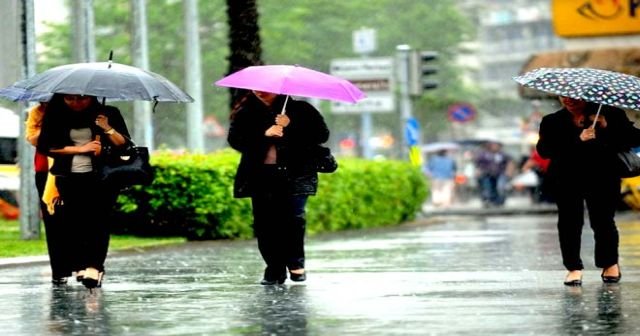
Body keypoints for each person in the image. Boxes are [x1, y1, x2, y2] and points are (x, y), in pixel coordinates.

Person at [227, 90, 330, 285]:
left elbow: (321, 135)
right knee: (265, 224)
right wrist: (264, 134)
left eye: (265, 88)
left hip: (296, 174)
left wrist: (292, 125)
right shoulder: (246, 113)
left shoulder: (301, 109)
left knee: (293, 219)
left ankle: (295, 264)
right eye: (256, 88)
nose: (260, 92)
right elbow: (235, 140)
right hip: (261, 175)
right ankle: (274, 268)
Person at [537, 96, 640, 286]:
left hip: (603, 176)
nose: (568, 100)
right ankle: (573, 268)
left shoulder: (610, 114)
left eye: (574, 97)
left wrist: (607, 126)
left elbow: (634, 138)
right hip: (566, 178)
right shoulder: (552, 120)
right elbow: (544, 150)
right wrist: (578, 139)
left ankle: (609, 264)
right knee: (569, 222)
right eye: (563, 96)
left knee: (603, 221)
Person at [37, 93, 130, 289]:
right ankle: (80, 264)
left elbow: (124, 144)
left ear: (92, 97)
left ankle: (95, 267)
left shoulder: (108, 113)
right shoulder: (56, 115)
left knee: (99, 221)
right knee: (75, 222)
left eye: (81, 98)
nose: (76, 103)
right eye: (69, 98)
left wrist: (107, 128)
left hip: (103, 178)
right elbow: (47, 147)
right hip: (68, 178)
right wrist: (80, 149)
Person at [25, 102, 71, 285]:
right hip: (46, 171)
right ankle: (59, 270)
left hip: (78, 169)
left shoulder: (80, 110)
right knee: (52, 220)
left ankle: (84, 265)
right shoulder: (37, 112)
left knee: (77, 218)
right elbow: (33, 139)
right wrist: (51, 128)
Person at [473, 141, 513, 207]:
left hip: (500, 173)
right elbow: (478, 163)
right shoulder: (484, 154)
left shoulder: (503, 154)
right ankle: (488, 201)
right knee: (487, 188)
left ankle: (500, 201)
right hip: (487, 174)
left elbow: (510, 162)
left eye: (496, 145)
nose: (495, 147)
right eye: (493, 145)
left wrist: (509, 171)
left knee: (500, 187)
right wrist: (478, 171)